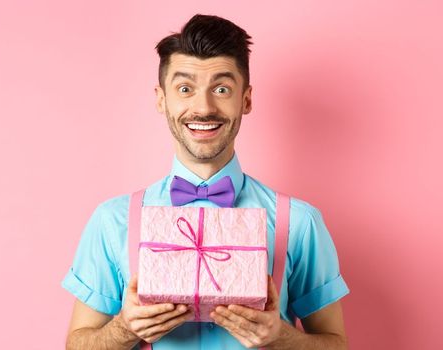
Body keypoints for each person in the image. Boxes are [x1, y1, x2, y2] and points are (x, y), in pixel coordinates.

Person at [62, 14, 349, 349]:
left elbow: (336, 344)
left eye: (222, 89)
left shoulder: (299, 222)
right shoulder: (113, 221)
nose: (203, 107)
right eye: (185, 89)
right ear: (161, 99)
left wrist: (280, 338)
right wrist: (125, 328)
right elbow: (77, 344)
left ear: (246, 99)